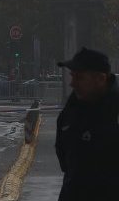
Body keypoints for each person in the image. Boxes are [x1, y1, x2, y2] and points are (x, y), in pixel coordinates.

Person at [54, 46, 119, 200]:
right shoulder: (72, 109)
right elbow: (64, 156)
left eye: (80, 77)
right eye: (73, 76)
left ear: (101, 79)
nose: (72, 83)